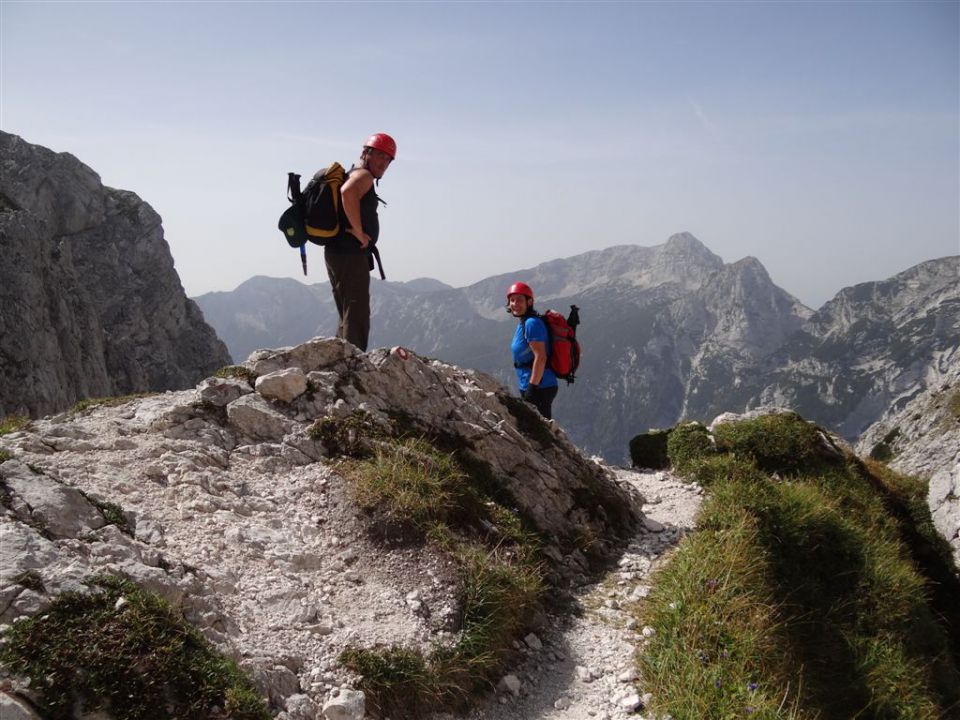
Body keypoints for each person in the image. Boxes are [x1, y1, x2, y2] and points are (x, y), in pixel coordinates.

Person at [325, 132, 396, 352]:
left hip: (338, 252)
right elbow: (348, 192)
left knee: (347, 311)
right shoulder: (363, 176)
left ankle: (340, 359)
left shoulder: (356, 174)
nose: (384, 163)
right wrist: (358, 232)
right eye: (380, 156)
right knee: (357, 313)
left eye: (388, 159)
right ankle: (353, 365)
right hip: (349, 254)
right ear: (366, 153)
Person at [507, 281, 559, 419]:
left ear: (529, 302)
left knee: (541, 432)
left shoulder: (531, 323)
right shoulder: (524, 322)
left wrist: (532, 387)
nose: (515, 304)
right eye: (512, 300)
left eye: (519, 300)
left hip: (540, 387)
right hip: (533, 385)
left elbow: (541, 357)